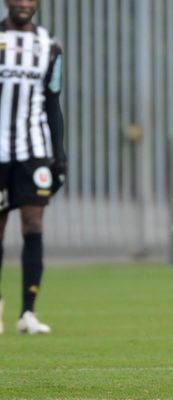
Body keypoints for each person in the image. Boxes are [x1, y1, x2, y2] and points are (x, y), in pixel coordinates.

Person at [0, 0, 66, 335]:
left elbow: (53, 102)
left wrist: (59, 157)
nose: (24, 4)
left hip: (34, 150)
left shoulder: (50, 46)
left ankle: (28, 311)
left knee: (33, 221)